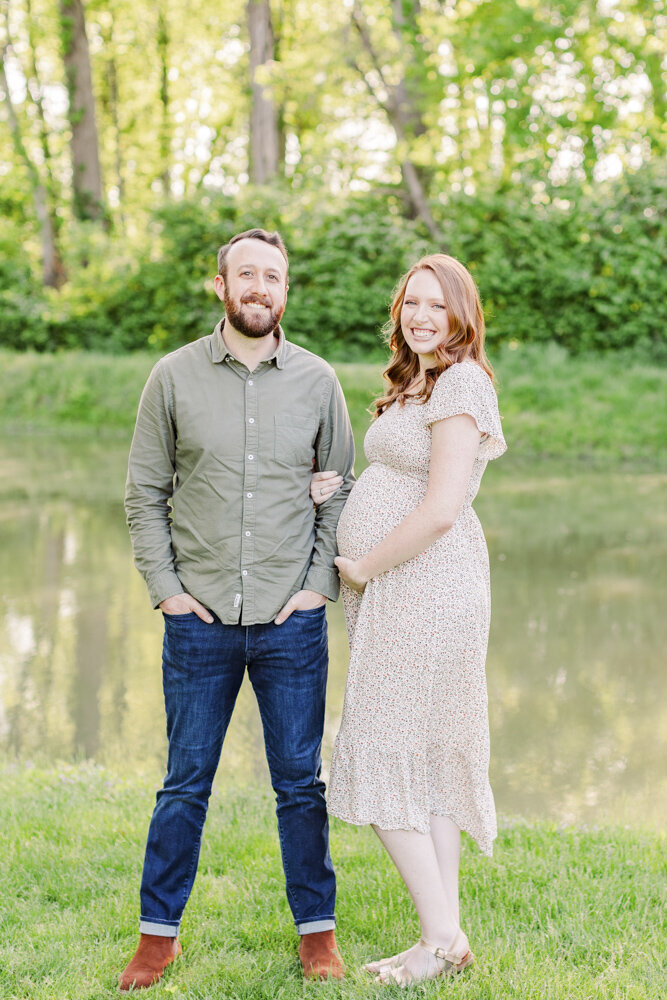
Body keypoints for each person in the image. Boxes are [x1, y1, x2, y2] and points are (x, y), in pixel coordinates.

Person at [120, 228, 355, 990]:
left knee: (298, 783)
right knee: (184, 780)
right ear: (220, 284)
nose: (260, 287)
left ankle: (315, 935)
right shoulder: (173, 377)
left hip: (292, 622)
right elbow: (144, 494)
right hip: (201, 621)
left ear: (286, 291)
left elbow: (338, 492)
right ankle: (159, 936)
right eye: (246, 274)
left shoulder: (318, 381)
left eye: (273, 277)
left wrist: (317, 586)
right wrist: (168, 592)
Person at [311, 253, 506, 987]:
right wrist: (348, 488)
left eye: (436, 305)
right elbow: (409, 478)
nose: (420, 316)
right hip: (405, 585)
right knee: (421, 756)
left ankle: (441, 938)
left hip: (423, 586)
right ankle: (441, 937)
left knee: (381, 744)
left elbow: (442, 507)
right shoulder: (419, 379)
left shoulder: (459, 383)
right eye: (410, 304)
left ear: (462, 314)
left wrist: (361, 566)